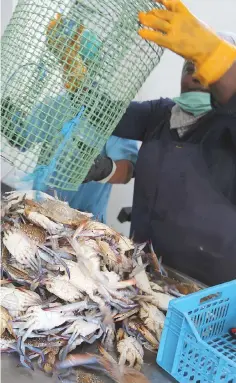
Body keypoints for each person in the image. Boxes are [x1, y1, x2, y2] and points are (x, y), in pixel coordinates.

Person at [82, 0, 236, 285]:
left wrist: (217, 56)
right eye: (189, 65)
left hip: (205, 290)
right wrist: (77, 77)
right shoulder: (161, 114)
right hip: (143, 269)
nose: (195, 73)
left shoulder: (227, 129)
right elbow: (104, 113)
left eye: (205, 68)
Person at [45, 135, 138, 223]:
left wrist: (104, 169)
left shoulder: (117, 122)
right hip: (42, 207)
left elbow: (128, 172)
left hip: (86, 221)